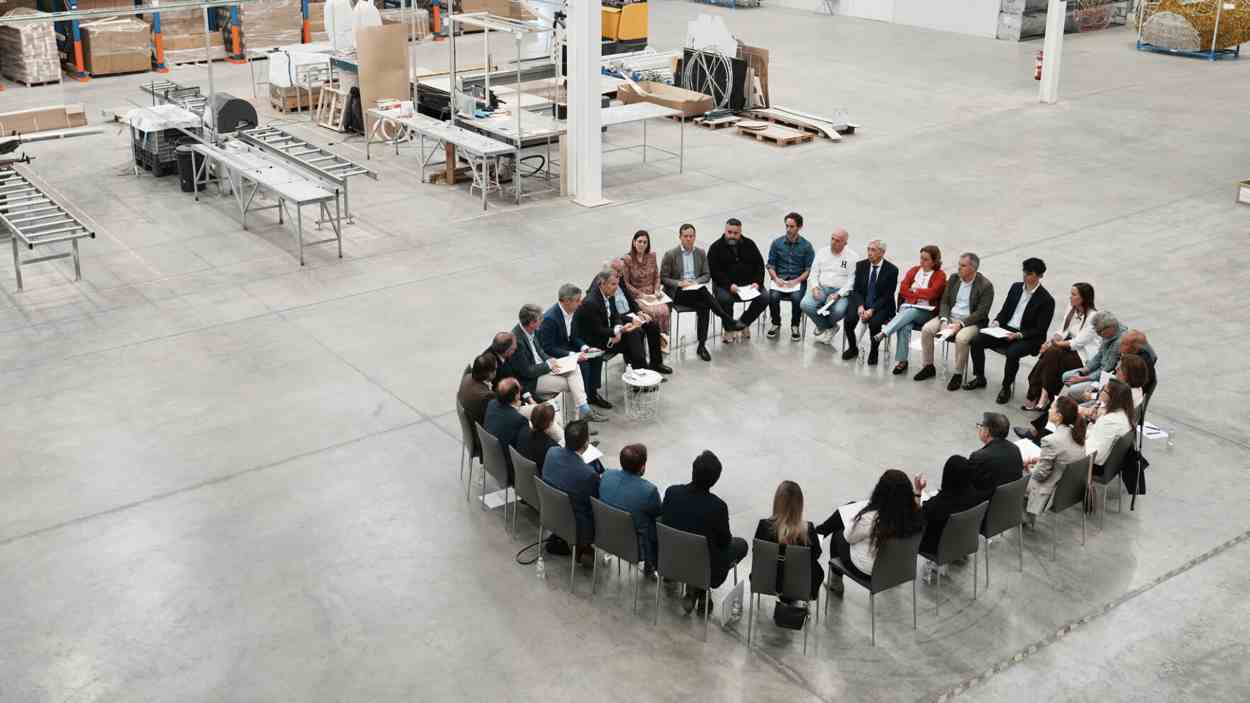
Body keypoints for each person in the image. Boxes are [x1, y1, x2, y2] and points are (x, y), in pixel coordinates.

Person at [660, 450, 749, 615]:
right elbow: (724, 542)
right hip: (705, 568)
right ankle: (699, 588)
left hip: (671, 561)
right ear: (714, 480)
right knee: (741, 545)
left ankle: (695, 589)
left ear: (693, 471)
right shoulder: (717, 507)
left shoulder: (672, 493)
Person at [1016, 311, 1125, 441]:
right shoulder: (1109, 334)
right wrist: (1084, 370)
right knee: (1064, 374)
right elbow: (1099, 357)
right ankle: (1046, 403)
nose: (1099, 335)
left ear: (1110, 328)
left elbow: (1105, 369)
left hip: (1101, 381)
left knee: (1067, 400)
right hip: (1099, 378)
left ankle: (1041, 430)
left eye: (1100, 332)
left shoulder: (1118, 342)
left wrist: (1084, 378)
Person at [814, 469, 924, 595]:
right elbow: (916, 508)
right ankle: (820, 532)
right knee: (851, 506)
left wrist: (853, 521)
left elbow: (849, 538)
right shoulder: (914, 516)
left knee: (839, 531)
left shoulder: (871, 519)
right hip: (900, 571)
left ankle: (835, 582)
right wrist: (918, 492)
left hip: (871, 573)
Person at [966, 258, 1056, 404]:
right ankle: (980, 377)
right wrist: (997, 321)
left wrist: (1019, 335)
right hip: (1006, 330)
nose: (1025, 276)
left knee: (1013, 353)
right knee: (976, 339)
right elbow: (1005, 311)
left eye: (1030, 273)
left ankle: (1006, 387)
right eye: (1025, 272)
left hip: (1027, 337)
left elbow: (1040, 329)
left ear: (1039, 276)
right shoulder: (1015, 287)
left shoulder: (1046, 300)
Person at [659, 224, 745, 361]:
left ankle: (702, 345)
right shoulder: (671, 254)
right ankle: (727, 319)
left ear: (695, 237)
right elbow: (663, 278)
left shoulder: (700, 253)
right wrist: (680, 283)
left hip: (695, 289)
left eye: (691, 236)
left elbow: (706, 275)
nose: (688, 239)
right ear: (680, 237)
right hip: (678, 293)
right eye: (685, 236)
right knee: (704, 293)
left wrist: (696, 282)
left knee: (704, 306)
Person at [510, 304, 605, 423]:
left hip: (544, 369)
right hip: (532, 381)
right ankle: (578, 418)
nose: (542, 321)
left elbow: (540, 351)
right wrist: (548, 365)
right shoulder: (517, 340)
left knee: (574, 367)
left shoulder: (530, 330)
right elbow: (527, 372)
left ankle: (581, 413)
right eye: (540, 319)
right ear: (532, 323)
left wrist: (550, 360)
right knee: (572, 385)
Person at [915, 252, 995, 390]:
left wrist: (961, 324)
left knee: (962, 338)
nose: (959, 268)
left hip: (971, 322)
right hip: (950, 316)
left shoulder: (985, 286)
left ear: (973, 268)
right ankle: (928, 366)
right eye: (959, 265)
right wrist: (945, 319)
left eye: (963, 266)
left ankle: (958, 374)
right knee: (927, 329)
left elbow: (982, 312)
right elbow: (945, 302)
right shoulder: (954, 279)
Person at [573, 266, 671, 375]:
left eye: (617, 283)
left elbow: (615, 315)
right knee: (634, 334)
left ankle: (645, 370)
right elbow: (597, 330)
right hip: (599, 341)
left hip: (612, 329)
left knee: (642, 328)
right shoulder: (591, 302)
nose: (616, 287)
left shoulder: (609, 292)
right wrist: (617, 332)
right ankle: (642, 374)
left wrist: (619, 328)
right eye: (613, 284)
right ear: (602, 283)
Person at [1022, 283, 1097, 411]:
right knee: (1051, 354)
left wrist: (1054, 344)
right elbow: (1062, 330)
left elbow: (1077, 343)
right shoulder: (1071, 308)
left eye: (1074, 294)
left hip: (1082, 356)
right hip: (1066, 348)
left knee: (1052, 353)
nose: (1070, 297)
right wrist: (1050, 342)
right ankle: (1045, 396)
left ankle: (1036, 395)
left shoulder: (1093, 316)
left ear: (1083, 298)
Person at [538, 284, 611, 411]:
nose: (580, 304)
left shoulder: (573, 311)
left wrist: (585, 348)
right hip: (556, 354)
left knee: (596, 357)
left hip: (568, 347)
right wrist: (573, 355)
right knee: (583, 365)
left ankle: (592, 394)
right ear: (566, 301)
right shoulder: (550, 319)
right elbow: (548, 347)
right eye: (577, 301)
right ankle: (583, 402)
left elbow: (574, 336)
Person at [875, 245, 946, 375]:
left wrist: (914, 291)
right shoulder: (914, 270)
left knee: (911, 312)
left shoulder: (940, 275)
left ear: (934, 261)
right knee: (905, 325)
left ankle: (885, 332)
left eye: (926, 259)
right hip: (909, 309)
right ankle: (902, 361)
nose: (922, 262)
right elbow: (903, 289)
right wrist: (918, 293)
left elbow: (933, 294)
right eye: (921, 258)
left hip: (927, 312)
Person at [542, 420, 602, 566]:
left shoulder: (551, 452)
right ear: (586, 443)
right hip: (576, 523)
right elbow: (595, 502)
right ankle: (583, 548)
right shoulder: (588, 474)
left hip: (550, 511)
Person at [914, 456, 983, 582]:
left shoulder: (938, 504)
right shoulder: (976, 496)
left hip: (937, 547)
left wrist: (918, 491)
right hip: (966, 542)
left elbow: (915, 518)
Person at [599, 443, 662, 578]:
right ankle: (650, 565)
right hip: (635, 548)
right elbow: (658, 514)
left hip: (604, 536)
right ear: (642, 467)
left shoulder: (606, 476)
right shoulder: (649, 491)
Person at [754, 481, 823, 601]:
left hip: (767, 581)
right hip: (801, 584)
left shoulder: (764, 526)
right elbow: (816, 554)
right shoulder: (808, 529)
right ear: (800, 504)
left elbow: (757, 552)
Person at [1023, 396, 1088, 525]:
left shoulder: (1051, 440)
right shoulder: (1078, 435)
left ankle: (1022, 517)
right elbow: (1062, 459)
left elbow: (1040, 475)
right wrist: (1040, 460)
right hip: (1068, 488)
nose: (1048, 410)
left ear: (1059, 415)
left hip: (1050, 490)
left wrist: (1030, 469)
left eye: (1051, 407)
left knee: (1014, 473)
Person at [707, 218, 770, 344]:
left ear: (740, 232)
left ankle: (743, 323)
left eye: (735, 233)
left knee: (765, 297)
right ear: (725, 231)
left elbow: (759, 265)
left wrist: (757, 282)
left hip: (749, 285)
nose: (732, 236)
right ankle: (729, 328)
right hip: (725, 286)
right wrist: (729, 285)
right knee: (725, 299)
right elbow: (714, 272)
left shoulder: (749, 244)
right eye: (729, 232)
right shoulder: (715, 247)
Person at [839, 239, 900, 366]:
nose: (869, 253)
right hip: (863, 302)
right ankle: (852, 348)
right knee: (849, 319)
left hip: (881, 305)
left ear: (882, 253)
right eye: (868, 249)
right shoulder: (861, 265)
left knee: (874, 323)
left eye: (873, 250)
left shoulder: (892, 270)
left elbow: (887, 296)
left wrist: (872, 310)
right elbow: (856, 290)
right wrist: (860, 306)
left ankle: (874, 350)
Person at [800, 228, 857, 345]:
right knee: (806, 304)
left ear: (845, 243)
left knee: (838, 310)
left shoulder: (852, 257)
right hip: (822, 287)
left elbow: (852, 280)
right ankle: (828, 327)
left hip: (840, 292)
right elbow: (814, 272)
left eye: (837, 240)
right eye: (832, 239)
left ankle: (823, 325)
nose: (833, 242)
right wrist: (815, 287)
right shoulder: (822, 252)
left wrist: (838, 294)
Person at [766, 212, 816, 341]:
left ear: (799, 227)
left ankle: (795, 325)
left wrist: (797, 280)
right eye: (787, 226)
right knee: (773, 296)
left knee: (797, 298)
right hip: (780, 280)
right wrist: (776, 279)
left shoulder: (807, 246)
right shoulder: (777, 244)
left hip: (797, 281)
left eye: (792, 226)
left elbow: (808, 270)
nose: (788, 229)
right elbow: (770, 265)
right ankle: (776, 323)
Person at [619, 230, 672, 339]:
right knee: (652, 312)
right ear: (634, 242)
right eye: (639, 241)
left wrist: (657, 290)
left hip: (653, 294)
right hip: (637, 295)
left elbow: (657, 276)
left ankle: (663, 341)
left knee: (665, 310)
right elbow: (625, 284)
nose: (642, 244)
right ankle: (652, 339)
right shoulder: (627, 260)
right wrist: (641, 294)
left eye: (645, 242)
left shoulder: (652, 256)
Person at [483, 378, 529, 481]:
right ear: (516, 396)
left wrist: (514, 407)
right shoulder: (519, 419)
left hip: (491, 459)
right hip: (510, 468)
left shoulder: (491, 404)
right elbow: (524, 450)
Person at [968, 411, 1023, 495]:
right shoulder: (1015, 449)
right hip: (1010, 498)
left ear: (986, 432)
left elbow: (969, 484)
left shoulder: (978, 457)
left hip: (987, 502)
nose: (979, 428)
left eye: (981, 426)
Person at [1084, 379, 1136, 468]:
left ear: (1113, 397)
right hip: (1098, 454)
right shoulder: (1123, 413)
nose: (1100, 391)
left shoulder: (1110, 421)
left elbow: (1096, 456)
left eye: (1104, 390)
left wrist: (1074, 444)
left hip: (1091, 463)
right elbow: (1098, 436)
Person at [516, 403, 559, 476]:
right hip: (539, 482)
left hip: (521, 476)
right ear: (550, 423)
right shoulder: (551, 448)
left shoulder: (522, 432)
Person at [457, 353, 497, 430]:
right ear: (489, 374)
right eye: (495, 369)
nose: (496, 372)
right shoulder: (487, 396)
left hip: (471, 422)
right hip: (481, 436)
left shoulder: (467, 377)